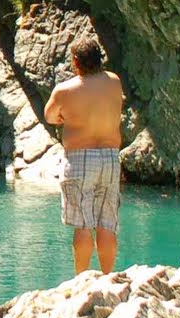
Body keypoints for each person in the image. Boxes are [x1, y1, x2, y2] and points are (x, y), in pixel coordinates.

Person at [44, 36, 125, 274]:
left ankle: (82, 281)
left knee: (82, 225)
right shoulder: (114, 82)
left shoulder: (65, 90)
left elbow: (50, 116)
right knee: (107, 223)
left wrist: (66, 117)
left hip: (80, 159)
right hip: (110, 157)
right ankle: (108, 277)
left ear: (76, 61)